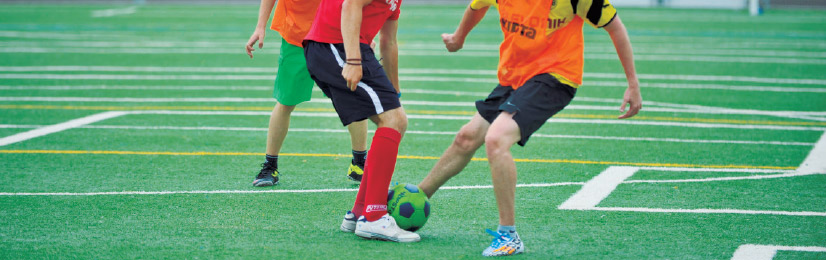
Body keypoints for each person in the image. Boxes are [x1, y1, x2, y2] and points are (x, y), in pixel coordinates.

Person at [417, 0, 643, 256]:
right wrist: (459, 37)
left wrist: (633, 83)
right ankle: (416, 197)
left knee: (496, 139)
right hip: (516, 77)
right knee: (466, 138)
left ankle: (509, 235)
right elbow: (477, 6)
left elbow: (615, 27)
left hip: (556, 77)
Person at [303, 0, 419, 243]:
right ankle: (374, 217)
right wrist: (353, 60)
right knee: (394, 121)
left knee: (396, 121)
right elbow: (351, 4)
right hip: (335, 45)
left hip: (343, 47)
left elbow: (389, 42)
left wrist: (394, 91)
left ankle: (359, 213)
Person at [245, 0, 370, 187]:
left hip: (334, 36)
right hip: (297, 38)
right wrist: (260, 26)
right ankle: (270, 166)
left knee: (352, 97)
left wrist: (362, 32)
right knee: (285, 102)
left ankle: (359, 165)